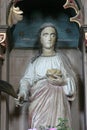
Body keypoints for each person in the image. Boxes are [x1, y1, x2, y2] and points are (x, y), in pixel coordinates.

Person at [16, 23, 77, 129]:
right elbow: (26, 80)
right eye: (45, 35)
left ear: (56, 38)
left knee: (58, 126)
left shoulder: (61, 59)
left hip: (57, 103)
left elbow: (70, 81)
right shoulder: (35, 61)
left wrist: (63, 82)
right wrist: (22, 93)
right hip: (38, 103)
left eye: (52, 35)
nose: (49, 38)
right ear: (40, 38)